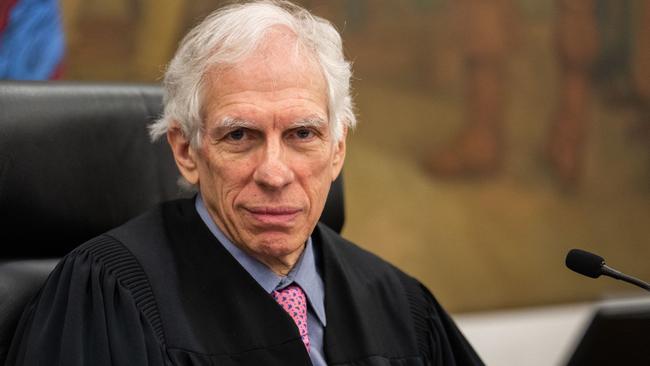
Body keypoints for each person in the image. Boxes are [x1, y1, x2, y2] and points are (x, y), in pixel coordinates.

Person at [6, 1, 483, 365]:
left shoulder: (400, 305)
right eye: (239, 135)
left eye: (302, 134)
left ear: (338, 149)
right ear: (186, 150)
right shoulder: (107, 298)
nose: (274, 173)